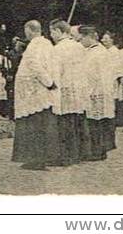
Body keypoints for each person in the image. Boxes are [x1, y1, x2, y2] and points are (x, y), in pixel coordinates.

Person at [11, 20, 59, 170]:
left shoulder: (35, 45)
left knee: (33, 125)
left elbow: (35, 65)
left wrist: (48, 82)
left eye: (26, 30)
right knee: (41, 124)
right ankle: (39, 159)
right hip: (39, 91)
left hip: (33, 93)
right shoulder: (46, 43)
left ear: (29, 30)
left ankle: (35, 159)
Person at [49, 19, 87, 166]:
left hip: (64, 88)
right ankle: (77, 154)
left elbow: (56, 71)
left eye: (52, 31)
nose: (51, 35)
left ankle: (65, 156)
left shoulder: (58, 49)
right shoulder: (79, 47)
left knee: (64, 123)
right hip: (78, 88)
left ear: (59, 31)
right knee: (76, 121)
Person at [79, 26, 117, 161]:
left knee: (95, 122)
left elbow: (90, 75)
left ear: (89, 37)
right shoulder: (100, 51)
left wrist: (86, 91)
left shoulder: (96, 53)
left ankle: (96, 151)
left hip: (96, 90)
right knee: (99, 121)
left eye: (82, 38)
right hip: (103, 89)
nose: (81, 41)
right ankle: (100, 150)